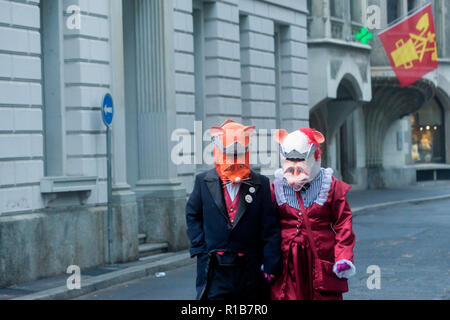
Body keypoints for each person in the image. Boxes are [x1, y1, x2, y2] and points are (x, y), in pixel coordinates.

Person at [186, 120, 281, 300]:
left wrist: (270, 263)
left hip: (249, 269)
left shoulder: (260, 183)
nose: (234, 161)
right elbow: (192, 214)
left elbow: (270, 226)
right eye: (229, 155)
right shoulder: (203, 181)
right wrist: (200, 248)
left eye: (239, 155)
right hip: (215, 268)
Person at [270, 128, 356, 300]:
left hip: (320, 260)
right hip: (288, 263)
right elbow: (267, 227)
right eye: (290, 159)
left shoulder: (331, 186)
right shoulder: (276, 187)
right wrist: (267, 260)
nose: (295, 165)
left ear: (315, 156)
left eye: (300, 159)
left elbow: (343, 224)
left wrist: (343, 257)